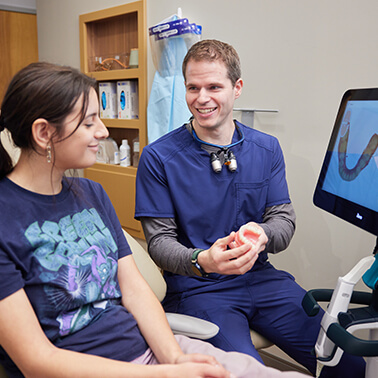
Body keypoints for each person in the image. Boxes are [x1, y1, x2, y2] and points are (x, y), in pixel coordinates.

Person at [0, 62, 309, 378]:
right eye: (89, 122)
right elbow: (36, 360)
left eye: (214, 87)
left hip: (148, 346)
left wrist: (174, 359)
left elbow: (134, 290)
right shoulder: (7, 220)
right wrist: (168, 372)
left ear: (236, 88)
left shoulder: (91, 193)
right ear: (43, 133)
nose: (103, 132)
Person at [135, 39, 366, 377]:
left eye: (214, 86)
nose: (202, 98)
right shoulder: (159, 158)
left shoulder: (266, 148)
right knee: (246, 372)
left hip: (262, 279)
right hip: (199, 289)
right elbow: (159, 243)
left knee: (349, 362)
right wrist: (203, 260)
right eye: (193, 87)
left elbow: (282, 219)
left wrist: (262, 235)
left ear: (237, 87)